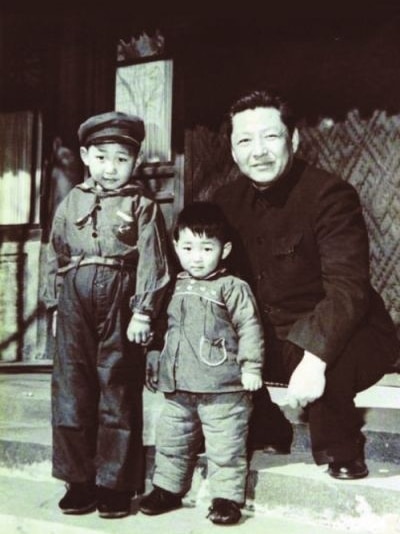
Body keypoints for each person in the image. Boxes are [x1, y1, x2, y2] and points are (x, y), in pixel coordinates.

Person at [213, 88, 400, 480]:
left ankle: (342, 447)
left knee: (329, 360)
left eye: (270, 136)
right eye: (245, 140)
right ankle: (267, 426)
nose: (258, 151)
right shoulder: (225, 203)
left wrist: (314, 360)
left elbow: (348, 289)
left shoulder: (329, 194)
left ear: (293, 140)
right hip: (271, 334)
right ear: (233, 151)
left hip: (349, 329)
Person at [42, 111, 171, 518]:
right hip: (74, 302)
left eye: (121, 158)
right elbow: (54, 254)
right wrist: (54, 306)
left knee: (116, 389)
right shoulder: (70, 202)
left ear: (135, 162)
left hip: (121, 300)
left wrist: (143, 312)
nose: (110, 167)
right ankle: (78, 481)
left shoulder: (143, 206)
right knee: (71, 389)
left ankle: (115, 485)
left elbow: (154, 262)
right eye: (101, 157)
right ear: (85, 156)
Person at [139, 201, 264, 525]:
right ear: (177, 247)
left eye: (207, 248)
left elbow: (250, 327)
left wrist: (251, 366)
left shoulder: (232, 287)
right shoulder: (174, 286)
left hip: (222, 389)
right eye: (189, 247)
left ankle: (227, 499)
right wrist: (155, 357)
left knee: (225, 447)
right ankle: (167, 488)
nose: (197, 257)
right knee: (171, 440)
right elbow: (163, 328)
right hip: (179, 388)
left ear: (224, 250)